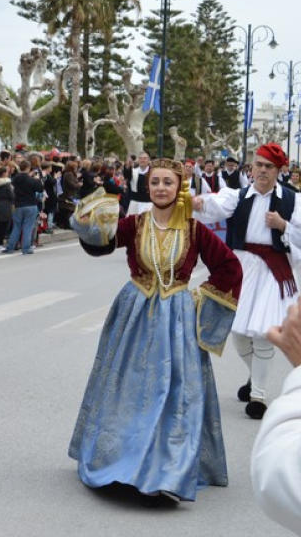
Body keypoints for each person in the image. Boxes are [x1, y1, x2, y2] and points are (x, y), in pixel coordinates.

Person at [68, 161, 242, 504]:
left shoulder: (194, 229)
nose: (161, 188)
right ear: (148, 188)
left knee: (172, 392)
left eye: (168, 182)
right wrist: (87, 225)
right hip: (134, 313)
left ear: (180, 188)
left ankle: (166, 472)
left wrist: (200, 300)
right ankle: (120, 463)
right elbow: (102, 243)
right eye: (155, 182)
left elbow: (229, 268)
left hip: (177, 318)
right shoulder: (135, 224)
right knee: (128, 389)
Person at [192, 142, 301, 419]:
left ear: (279, 170)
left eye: (269, 166)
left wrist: (283, 226)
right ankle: (254, 376)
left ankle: (258, 395)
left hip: (274, 271)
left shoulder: (294, 201)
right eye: (259, 165)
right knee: (239, 332)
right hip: (242, 267)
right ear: (252, 167)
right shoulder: (239, 196)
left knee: (264, 332)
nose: (263, 171)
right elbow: (215, 206)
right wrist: (198, 203)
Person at [251, 292, 301, 533]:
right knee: (248, 335)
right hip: (254, 269)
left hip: (272, 276)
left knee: (263, 337)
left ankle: (257, 391)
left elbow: (289, 481)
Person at [3, 161, 43, 255]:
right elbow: (40, 189)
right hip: (30, 204)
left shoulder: (15, 179)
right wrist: (37, 179)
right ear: (28, 168)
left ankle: (10, 247)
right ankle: (26, 248)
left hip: (18, 205)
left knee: (16, 227)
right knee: (27, 227)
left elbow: (12, 187)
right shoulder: (32, 180)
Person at [123, 152, 153, 217]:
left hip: (148, 202)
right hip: (135, 202)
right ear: (138, 160)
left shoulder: (153, 172)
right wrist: (128, 166)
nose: (142, 160)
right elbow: (127, 175)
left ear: (148, 160)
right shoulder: (134, 171)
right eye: (141, 158)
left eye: (145, 158)